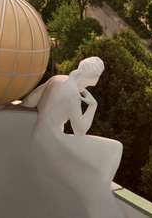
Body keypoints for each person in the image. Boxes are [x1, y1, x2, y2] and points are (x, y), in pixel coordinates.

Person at [22, 56, 123, 218]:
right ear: (94, 77)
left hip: (37, 137)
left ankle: (95, 187)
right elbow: (80, 131)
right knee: (116, 148)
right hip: (52, 144)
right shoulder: (73, 94)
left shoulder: (57, 79)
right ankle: (100, 189)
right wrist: (93, 106)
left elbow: (28, 101)